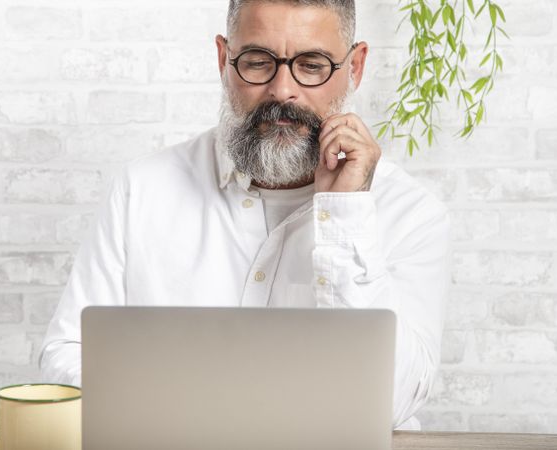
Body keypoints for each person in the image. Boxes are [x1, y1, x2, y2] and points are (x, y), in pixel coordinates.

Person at [40, 0, 451, 430]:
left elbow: (393, 402)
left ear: (355, 67)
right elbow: (67, 353)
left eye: (311, 65)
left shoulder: (412, 214)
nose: (282, 90)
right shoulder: (141, 190)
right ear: (224, 60)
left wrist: (344, 216)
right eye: (258, 62)